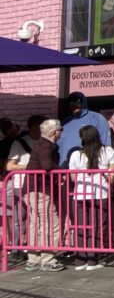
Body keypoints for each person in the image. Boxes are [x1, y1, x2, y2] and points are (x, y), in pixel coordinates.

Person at [68, 124, 114, 270]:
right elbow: (112, 176)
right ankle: (92, 259)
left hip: (80, 193)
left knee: (81, 225)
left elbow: (73, 178)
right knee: (97, 225)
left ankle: (80, 260)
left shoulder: (76, 155)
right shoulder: (108, 151)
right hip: (100, 193)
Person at [23, 119, 65, 272]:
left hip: (30, 189)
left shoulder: (39, 144)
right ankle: (48, 259)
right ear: (55, 132)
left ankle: (33, 259)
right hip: (40, 190)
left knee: (36, 223)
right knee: (50, 222)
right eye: (61, 130)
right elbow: (47, 165)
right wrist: (62, 172)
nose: (61, 132)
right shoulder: (47, 146)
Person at [5, 115, 44, 263]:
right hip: (20, 185)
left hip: (37, 185)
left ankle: (32, 249)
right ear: (34, 126)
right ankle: (17, 249)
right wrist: (30, 167)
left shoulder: (43, 143)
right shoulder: (20, 143)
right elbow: (10, 166)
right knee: (19, 218)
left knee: (35, 218)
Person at [57, 92, 111, 167]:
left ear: (84, 102)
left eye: (77, 101)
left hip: (88, 169)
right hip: (64, 169)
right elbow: (57, 146)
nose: (74, 104)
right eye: (71, 102)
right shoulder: (65, 123)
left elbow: (106, 144)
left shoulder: (97, 118)